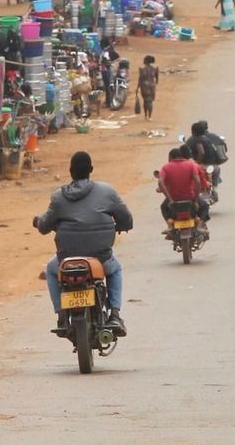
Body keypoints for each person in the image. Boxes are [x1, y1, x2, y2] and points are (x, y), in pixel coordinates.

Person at [35, 151, 133, 336]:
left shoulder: (58, 197)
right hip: (101, 257)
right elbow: (127, 219)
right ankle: (115, 314)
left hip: (66, 260)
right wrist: (120, 225)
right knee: (115, 270)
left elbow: (44, 226)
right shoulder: (107, 191)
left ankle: (61, 315)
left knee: (50, 270)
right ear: (91, 170)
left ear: (71, 171)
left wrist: (37, 222)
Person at [156, 146, 210, 226]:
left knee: (163, 207)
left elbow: (160, 182)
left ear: (170, 157)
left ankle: (170, 223)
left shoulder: (165, 167)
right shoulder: (191, 166)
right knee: (205, 206)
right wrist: (195, 199)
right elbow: (198, 182)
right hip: (190, 198)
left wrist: (170, 199)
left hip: (174, 199)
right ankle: (199, 220)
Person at [98, 38, 120, 108]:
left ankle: (109, 101)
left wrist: (105, 63)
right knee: (109, 86)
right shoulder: (109, 50)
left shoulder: (106, 52)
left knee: (108, 86)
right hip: (109, 69)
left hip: (106, 71)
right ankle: (109, 101)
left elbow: (106, 61)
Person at [136, 55, 159, 121]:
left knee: (145, 101)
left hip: (144, 87)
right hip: (152, 86)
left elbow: (140, 79)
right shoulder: (155, 69)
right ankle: (150, 116)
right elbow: (157, 79)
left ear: (146, 61)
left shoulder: (142, 69)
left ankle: (146, 115)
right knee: (150, 102)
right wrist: (154, 85)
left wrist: (137, 88)